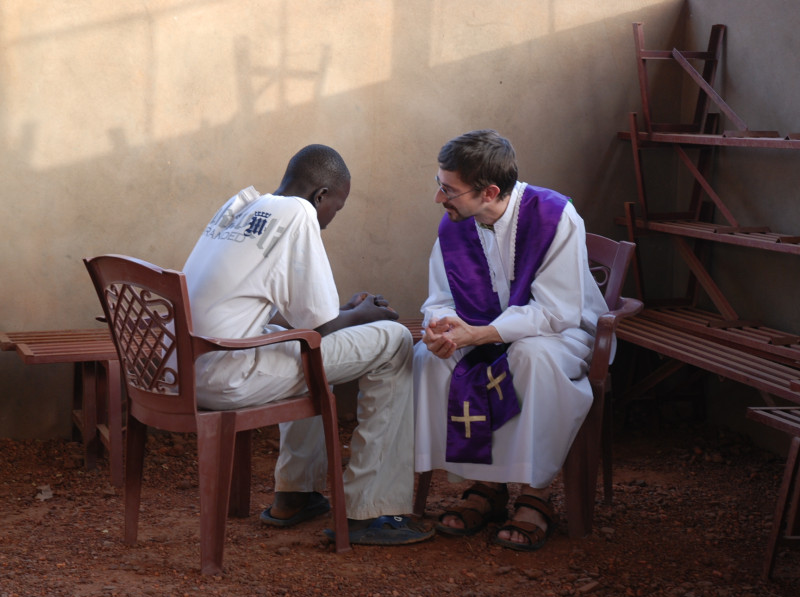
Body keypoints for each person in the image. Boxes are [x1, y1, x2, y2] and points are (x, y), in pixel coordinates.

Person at [182, 144, 432, 546]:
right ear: (320, 196)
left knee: (313, 349)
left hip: (193, 367)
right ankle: (370, 510)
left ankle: (296, 494)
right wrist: (365, 313)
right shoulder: (299, 214)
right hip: (229, 376)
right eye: (337, 206)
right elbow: (322, 327)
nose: (332, 218)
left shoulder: (243, 206)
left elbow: (299, 317)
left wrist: (347, 311)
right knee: (395, 340)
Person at [413, 130, 609, 551]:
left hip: (560, 332)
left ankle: (536, 494)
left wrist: (481, 333)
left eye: (448, 189)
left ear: (490, 192)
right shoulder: (456, 225)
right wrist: (440, 327)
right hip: (482, 329)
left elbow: (558, 311)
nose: (438, 198)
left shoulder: (555, 216)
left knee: (530, 359)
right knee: (430, 360)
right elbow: (441, 297)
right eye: (439, 183)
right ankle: (484, 486)